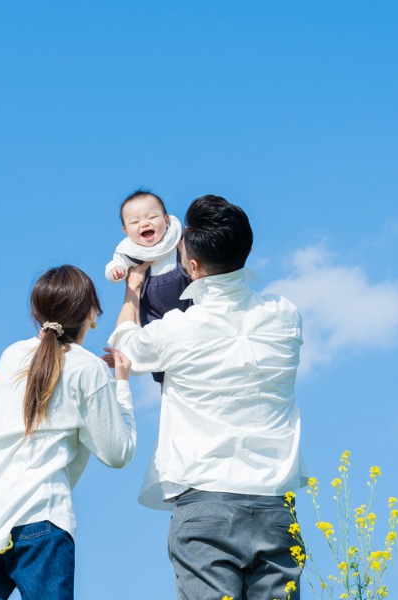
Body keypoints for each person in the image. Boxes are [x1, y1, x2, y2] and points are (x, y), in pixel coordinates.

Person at [107, 195, 307, 600]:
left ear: (193, 268)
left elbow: (126, 344)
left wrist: (132, 292)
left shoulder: (180, 329)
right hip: (275, 504)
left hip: (206, 499)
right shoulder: (286, 314)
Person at [0, 265, 137, 600]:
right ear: (91, 313)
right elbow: (117, 453)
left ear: (36, 313)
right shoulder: (87, 368)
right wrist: (120, 385)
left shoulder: (12, 356)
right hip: (40, 515)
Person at [104, 189, 193, 383]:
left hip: (186, 299)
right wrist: (116, 271)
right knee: (156, 352)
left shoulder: (177, 237)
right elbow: (115, 263)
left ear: (167, 220)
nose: (144, 223)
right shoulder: (130, 251)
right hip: (153, 310)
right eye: (134, 222)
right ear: (126, 231)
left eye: (152, 217)